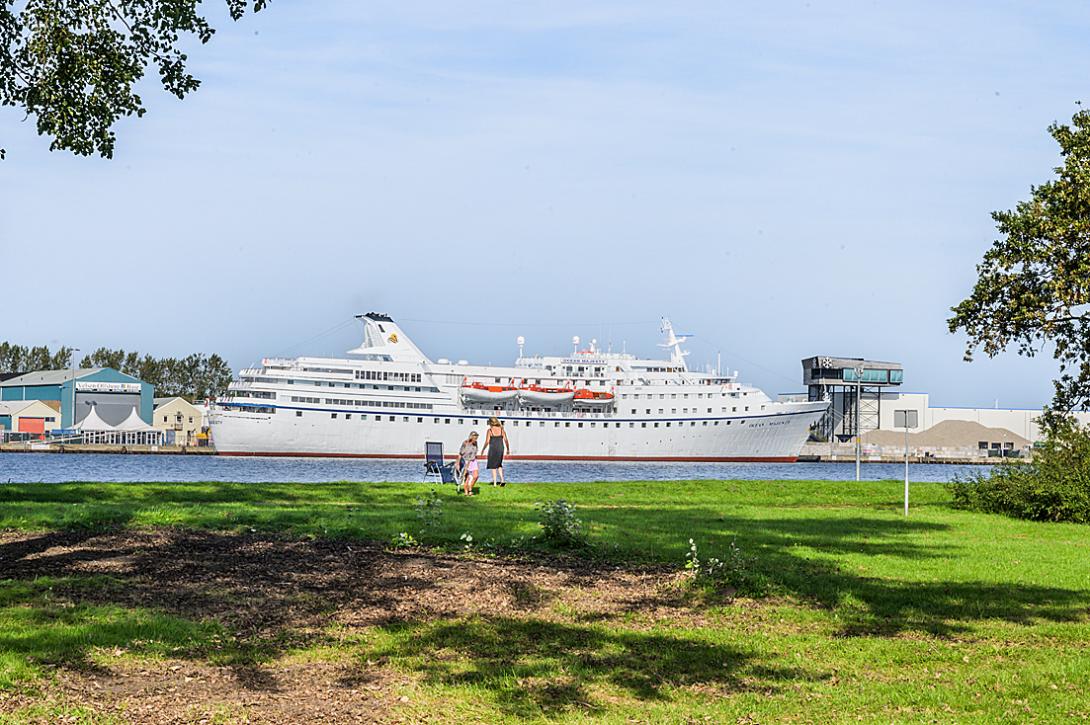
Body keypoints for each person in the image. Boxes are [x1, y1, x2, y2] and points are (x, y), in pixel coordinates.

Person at [482, 416, 510, 486]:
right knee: (499, 464)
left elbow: (487, 441)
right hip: (501, 448)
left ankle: (494, 483)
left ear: (491, 422)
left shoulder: (490, 430)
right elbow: (506, 440)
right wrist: (508, 449)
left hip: (493, 448)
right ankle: (502, 480)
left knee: (493, 466)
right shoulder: (502, 429)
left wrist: (483, 449)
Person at [457, 431, 480, 495]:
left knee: (476, 476)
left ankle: (470, 487)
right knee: (467, 477)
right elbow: (460, 454)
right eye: (474, 438)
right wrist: (458, 463)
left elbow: (474, 453)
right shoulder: (465, 443)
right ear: (471, 437)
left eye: (476, 438)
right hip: (466, 461)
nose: (475, 440)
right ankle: (467, 492)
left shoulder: (475, 443)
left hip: (473, 461)